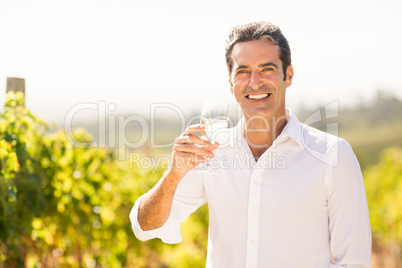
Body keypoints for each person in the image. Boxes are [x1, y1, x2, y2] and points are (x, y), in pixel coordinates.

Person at [130, 21, 372, 268]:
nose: (255, 82)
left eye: (267, 69)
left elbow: (354, 263)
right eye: (243, 71)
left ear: (288, 75)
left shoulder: (333, 155)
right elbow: (145, 226)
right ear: (230, 82)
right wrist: (173, 176)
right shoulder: (211, 152)